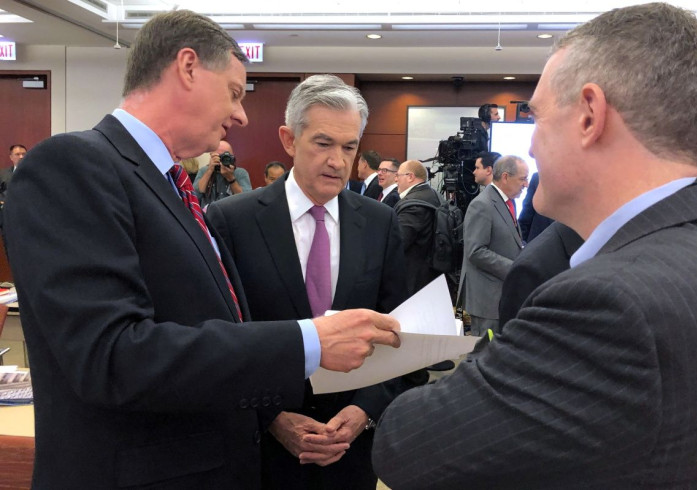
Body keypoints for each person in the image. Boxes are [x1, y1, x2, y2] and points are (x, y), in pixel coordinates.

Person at [2, 11, 401, 490]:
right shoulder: (74, 165)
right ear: (188, 67)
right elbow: (112, 355)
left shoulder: (171, 187)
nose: (241, 114)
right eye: (234, 92)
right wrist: (309, 342)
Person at [373, 3, 697, 488]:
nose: (534, 149)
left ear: (590, 115)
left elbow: (407, 447)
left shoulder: (605, 303)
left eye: (538, 119)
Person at [208, 74, 412, 490]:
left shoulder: (380, 222)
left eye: (349, 146)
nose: (338, 160)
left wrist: (364, 412)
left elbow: (399, 330)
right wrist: (272, 418)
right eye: (323, 143)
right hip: (261, 448)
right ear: (288, 139)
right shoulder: (232, 221)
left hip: (350, 448)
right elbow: (219, 338)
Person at [457, 155, 528, 336]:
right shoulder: (482, 205)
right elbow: (476, 251)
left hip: (501, 297)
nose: (526, 184)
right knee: (485, 356)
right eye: (522, 179)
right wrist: (514, 268)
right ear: (505, 177)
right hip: (487, 301)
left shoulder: (507, 202)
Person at [394, 159, 441, 295]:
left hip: (414, 280)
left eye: (398, 175)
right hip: (433, 275)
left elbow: (399, 243)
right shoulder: (435, 195)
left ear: (410, 177)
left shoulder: (413, 205)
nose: (396, 180)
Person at [193, 139, 252, 207]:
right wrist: (209, 170)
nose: (222, 159)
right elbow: (195, 196)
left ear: (232, 156)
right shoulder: (204, 171)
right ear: (212, 156)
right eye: (219, 156)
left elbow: (246, 200)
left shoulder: (240, 173)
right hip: (208, 215)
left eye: (226, 156)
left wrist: (231, 178)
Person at [518, 172, 554, 243]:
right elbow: (527, 213)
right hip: (539, 242)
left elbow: (527, 213)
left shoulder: (538, 177)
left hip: (538, 243)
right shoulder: (538, 177)